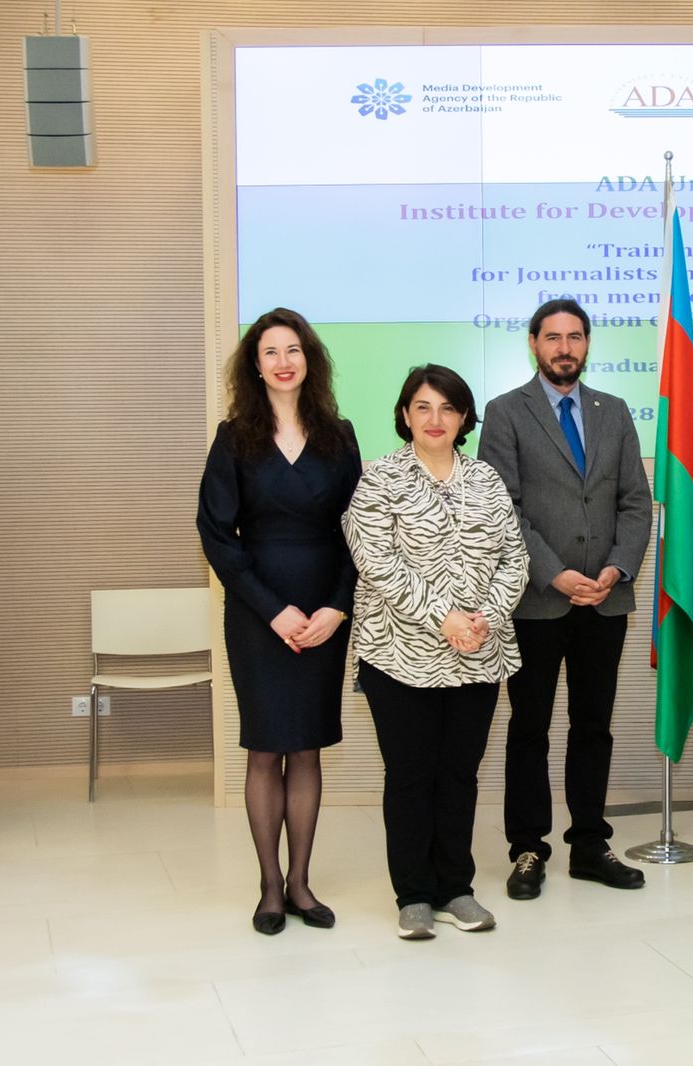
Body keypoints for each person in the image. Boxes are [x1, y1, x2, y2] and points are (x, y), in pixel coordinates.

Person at [343, 364, 529, 939]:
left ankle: (456, 888)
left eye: (448, 408)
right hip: (398, 655)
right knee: (410, 775)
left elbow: (515, 559)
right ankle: (414, 895)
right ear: (404, 414)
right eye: (423, 407)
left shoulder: (486, 480)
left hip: (478, 653)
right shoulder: (379, 479)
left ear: (464, 418)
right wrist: (442, 617)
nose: (435, 418)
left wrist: (485, 617)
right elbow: (376, 562)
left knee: (459, 774)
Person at [476, 298, 653, 899]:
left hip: (605, 598)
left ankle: (589, 845)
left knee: (593, 725)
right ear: (533, 344)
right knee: (529, 727)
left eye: (574, 337)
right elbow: (504, 509)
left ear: (587, 344)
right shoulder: (505, 412)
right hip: (536, 601)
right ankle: (528, 848)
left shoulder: (614, 411)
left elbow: (635, 501)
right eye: (552, 337)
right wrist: (554, 574)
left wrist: (616, 568)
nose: (564, 348)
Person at [197, 307, 360, 936]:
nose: (284, 361)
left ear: (308, 360)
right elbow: (216, 534)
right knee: (266, 748)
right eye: (271, 352)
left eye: (293, 350)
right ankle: (269, 888)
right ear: (255, 365)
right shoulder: (233, 436)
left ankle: (300, 883)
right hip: (256, 612)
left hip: (324, 613)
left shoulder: (339, 435)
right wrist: (273, 610)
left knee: (307, 746)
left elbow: (358, 531)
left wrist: (336, 607)